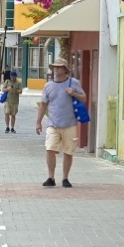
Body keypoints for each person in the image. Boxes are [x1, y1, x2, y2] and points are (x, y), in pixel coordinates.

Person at [35, 58, 87, 188]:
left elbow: (84, 98)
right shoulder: (48, 86)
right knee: (50, 149)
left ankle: (65, 178)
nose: (56, 69)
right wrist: (38, 122)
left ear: (65, 69)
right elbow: (43, 105)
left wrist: (74, 93)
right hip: (53, 124)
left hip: (69, 124)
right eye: (54, 67)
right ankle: (51, 177)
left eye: (59, 67)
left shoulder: (73, 83)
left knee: (68, 152)